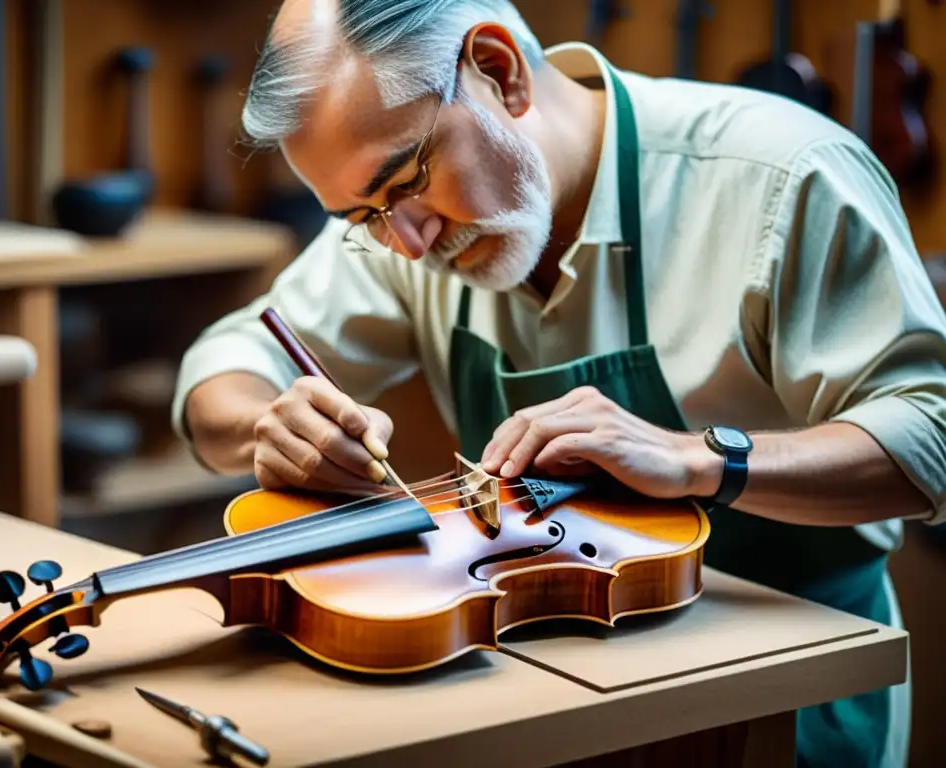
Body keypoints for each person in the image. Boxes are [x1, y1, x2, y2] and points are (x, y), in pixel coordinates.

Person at [171, 1, 946, 766]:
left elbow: (930, 436)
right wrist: (267, 422)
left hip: (784, 692)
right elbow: (226, 363)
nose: (406, 245)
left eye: (406, 180)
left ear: (500, 72)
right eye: (362, 216)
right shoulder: (401, 226)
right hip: (546, 678)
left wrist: (700, 462)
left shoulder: (782, 174)